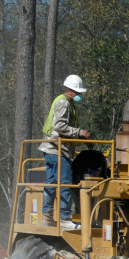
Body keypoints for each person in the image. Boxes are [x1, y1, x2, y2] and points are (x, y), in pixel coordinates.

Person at [39, 75, 91, 229]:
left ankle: (47, 216)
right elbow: (59, 126)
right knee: (65, 182)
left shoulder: (66, 102)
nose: (79, 95)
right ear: (68, 90)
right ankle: (64, 218)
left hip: (51, 149)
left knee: (52, 183)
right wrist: (80, 132)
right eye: (76, 92)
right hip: (58, 149)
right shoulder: (63, 102)